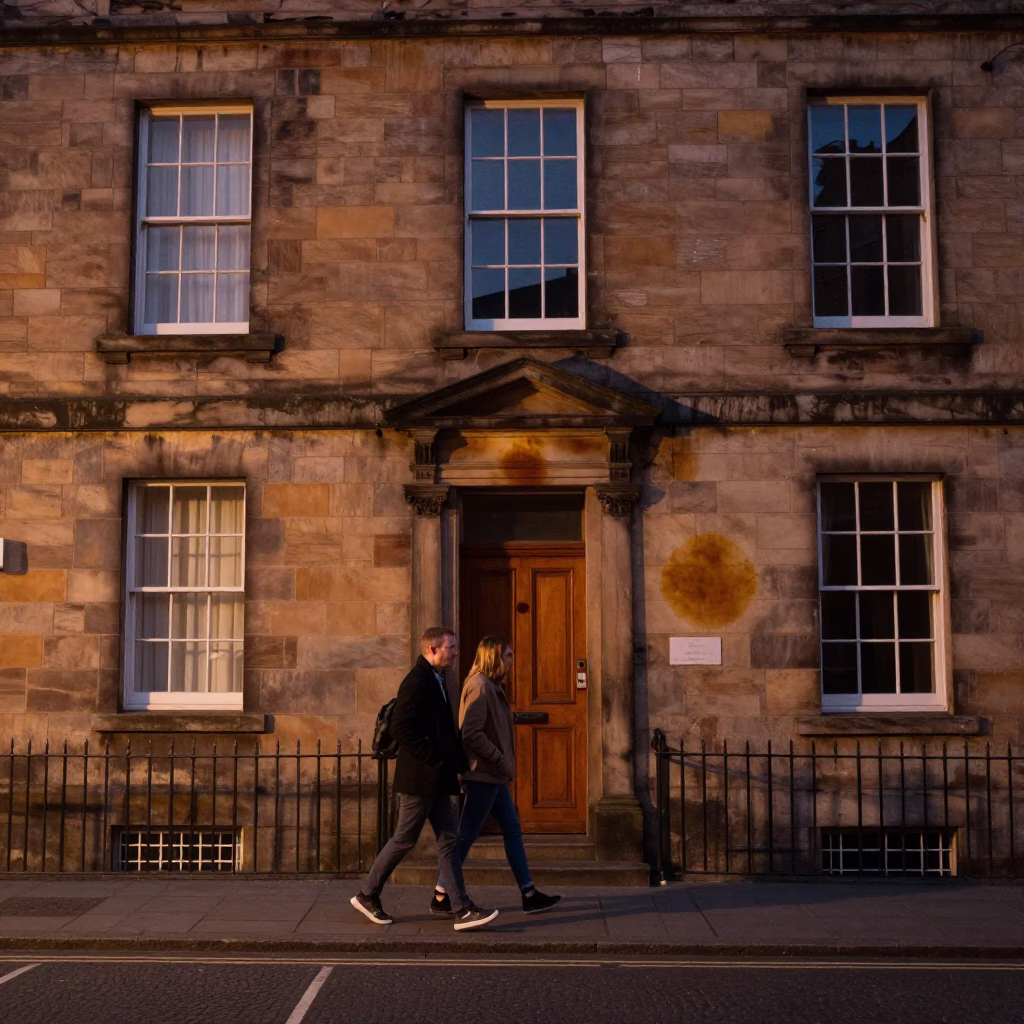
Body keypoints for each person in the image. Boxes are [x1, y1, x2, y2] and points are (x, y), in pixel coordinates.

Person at [351, 626, 499, 931]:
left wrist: (458, 764)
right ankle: (367, 894)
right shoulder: (417, 680)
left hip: (437, 778)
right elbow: (400, 726)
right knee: (404, 839)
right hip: (420, 780)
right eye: (451, 647)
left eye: (455, 647)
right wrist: (433, 757)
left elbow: (445, 730)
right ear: (432, 649)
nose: (456, 652)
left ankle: (461, 908)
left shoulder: (438, 679)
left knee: (448, 841)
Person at [431, 635, 561, 917]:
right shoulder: (480, 687)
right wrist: (499, 758)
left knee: (511, 829)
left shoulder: (491, 686)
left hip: (494, 775)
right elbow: (471, 733)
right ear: (494, 657)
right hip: (484, 775)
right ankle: (442, 894)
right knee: (465, 836)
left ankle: (528, 893)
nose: (512, 662)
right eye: (509, 656)